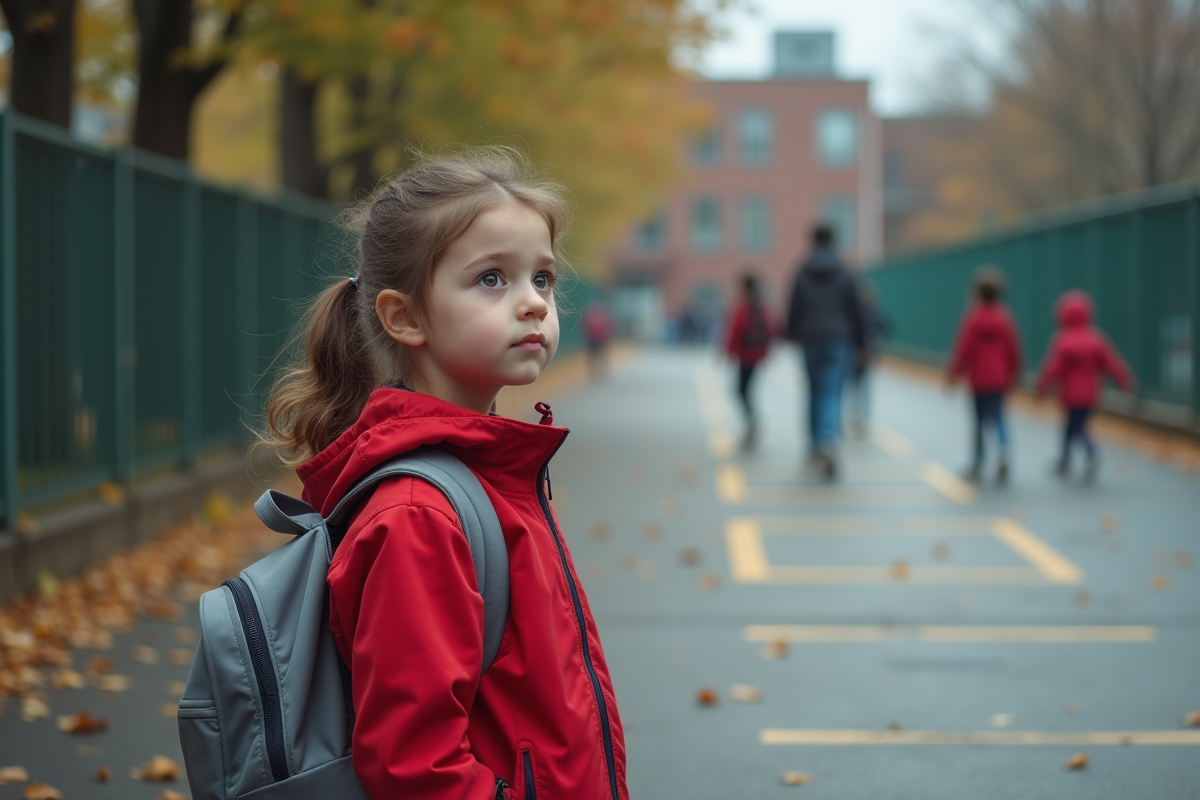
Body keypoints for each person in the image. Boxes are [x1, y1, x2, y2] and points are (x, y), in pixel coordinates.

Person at [259, 149, 627, 800]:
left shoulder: (489, 471)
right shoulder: (419, 513)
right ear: (405, 317)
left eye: (542, 279)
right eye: (492, 279)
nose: (533, 304)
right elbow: (414, 767)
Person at [785, 223, 865, 479]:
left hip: (810, 338)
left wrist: (792, 335)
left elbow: (793, 307)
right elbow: (856, 309)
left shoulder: (802, 271)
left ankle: (814, 446)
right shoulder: (845, 271)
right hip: (839, 339)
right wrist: (862, 341)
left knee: (813, 392)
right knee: (831, 392)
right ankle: (828, 440)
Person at [1035, 289, 1133, 481]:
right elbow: (1111, 363)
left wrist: (1042, 389)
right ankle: (1066, 459)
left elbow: (1053, 368)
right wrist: (1123, 380)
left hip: (1070, 394)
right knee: (1075, 426)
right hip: (1090, 394)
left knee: (1074, 427)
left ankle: (1089, 454)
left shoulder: (1062, 340)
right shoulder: (1096, 338)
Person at [945, 267, 1022, 484]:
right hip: (1000, 378)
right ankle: (1004, 449)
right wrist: (1015, 373)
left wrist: (954, 374)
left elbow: (964, 350)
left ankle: (978, 462)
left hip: (979, 379)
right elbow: (1013, 349)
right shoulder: (1005, 319)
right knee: (999, 418)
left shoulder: (972, 319)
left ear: (977, 293)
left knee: (978, 421)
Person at [723, 272, 774, 450]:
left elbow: (735, 330)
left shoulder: (743, 307)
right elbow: (770, 330)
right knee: (746, 390)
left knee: (741, 390)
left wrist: (728, 351)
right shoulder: (761, 306)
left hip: (744, 355)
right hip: (757, 354)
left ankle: (752, 421)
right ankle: (752, 421)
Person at [846, 283, 892, 436]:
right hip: (865, 354)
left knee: (855, 386)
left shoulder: (855, 312)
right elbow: (888, 326)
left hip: (856, 355)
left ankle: (857, 414)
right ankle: (862, 416)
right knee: (863, 386)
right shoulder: (875, 312)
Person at [582, 298, 614, 379]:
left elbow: (585, 329)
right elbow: (609, 328)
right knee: (602, 356)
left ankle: (594, 372)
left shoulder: (589, 316)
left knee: (593, 357)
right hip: (601, 340)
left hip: (592, 340)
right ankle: (603, 370)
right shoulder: (604, 315)